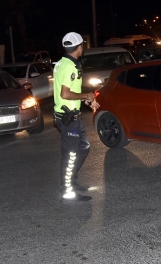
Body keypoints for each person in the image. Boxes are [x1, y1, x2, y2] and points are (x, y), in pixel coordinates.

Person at [53, 32, 100, 203]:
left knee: (84, 147)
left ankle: (70, 181)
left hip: (71, 115)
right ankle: (67, 190)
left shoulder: (62, 63)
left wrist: (86, 100)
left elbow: (68, 92)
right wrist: (86, 94)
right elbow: (65, 93)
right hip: (68, 118)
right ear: (80, 47)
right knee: (71, 154)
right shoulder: (69, 67)